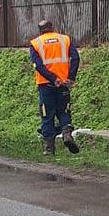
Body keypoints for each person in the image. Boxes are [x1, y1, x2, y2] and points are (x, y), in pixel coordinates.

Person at [29, 20, 81, 156]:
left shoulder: (35, 43)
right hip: (64, 84)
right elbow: (75, 58)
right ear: (53, 28)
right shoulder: (65, 39)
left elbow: (38, 66)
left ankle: (49, 148)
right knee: (64, 111)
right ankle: (66, 134)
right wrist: (70, 78)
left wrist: (53, 79)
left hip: (46, 85)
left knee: (47, 114)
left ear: (40, 31)